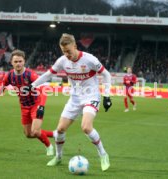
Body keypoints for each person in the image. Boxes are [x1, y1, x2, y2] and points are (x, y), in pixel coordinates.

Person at [25, 33, 112, 171]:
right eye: (64, 52)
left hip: (91, 97)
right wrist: (32, 86)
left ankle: (103, 154)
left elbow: (106, 74)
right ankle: (59, 157)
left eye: (69, 51)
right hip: (75, 98)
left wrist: (107, 96)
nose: (67, 54)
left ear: (75, 46)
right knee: (60, 129)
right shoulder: (62, 61)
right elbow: (48, 74)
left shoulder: (90, 60)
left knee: (86, 127)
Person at [0, 49, 54, 156]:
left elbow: (43, 89)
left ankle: (49, 147)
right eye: (16, 61)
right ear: (11, 62)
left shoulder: (30, 75)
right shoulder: (9, 76)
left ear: (24, 61)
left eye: (20, 61)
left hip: (36, 104)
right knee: (29, 134)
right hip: (24, 106)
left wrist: (41, 106)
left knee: (35, 131)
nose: (18, 64)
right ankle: (54, 134)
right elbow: (1, 89)